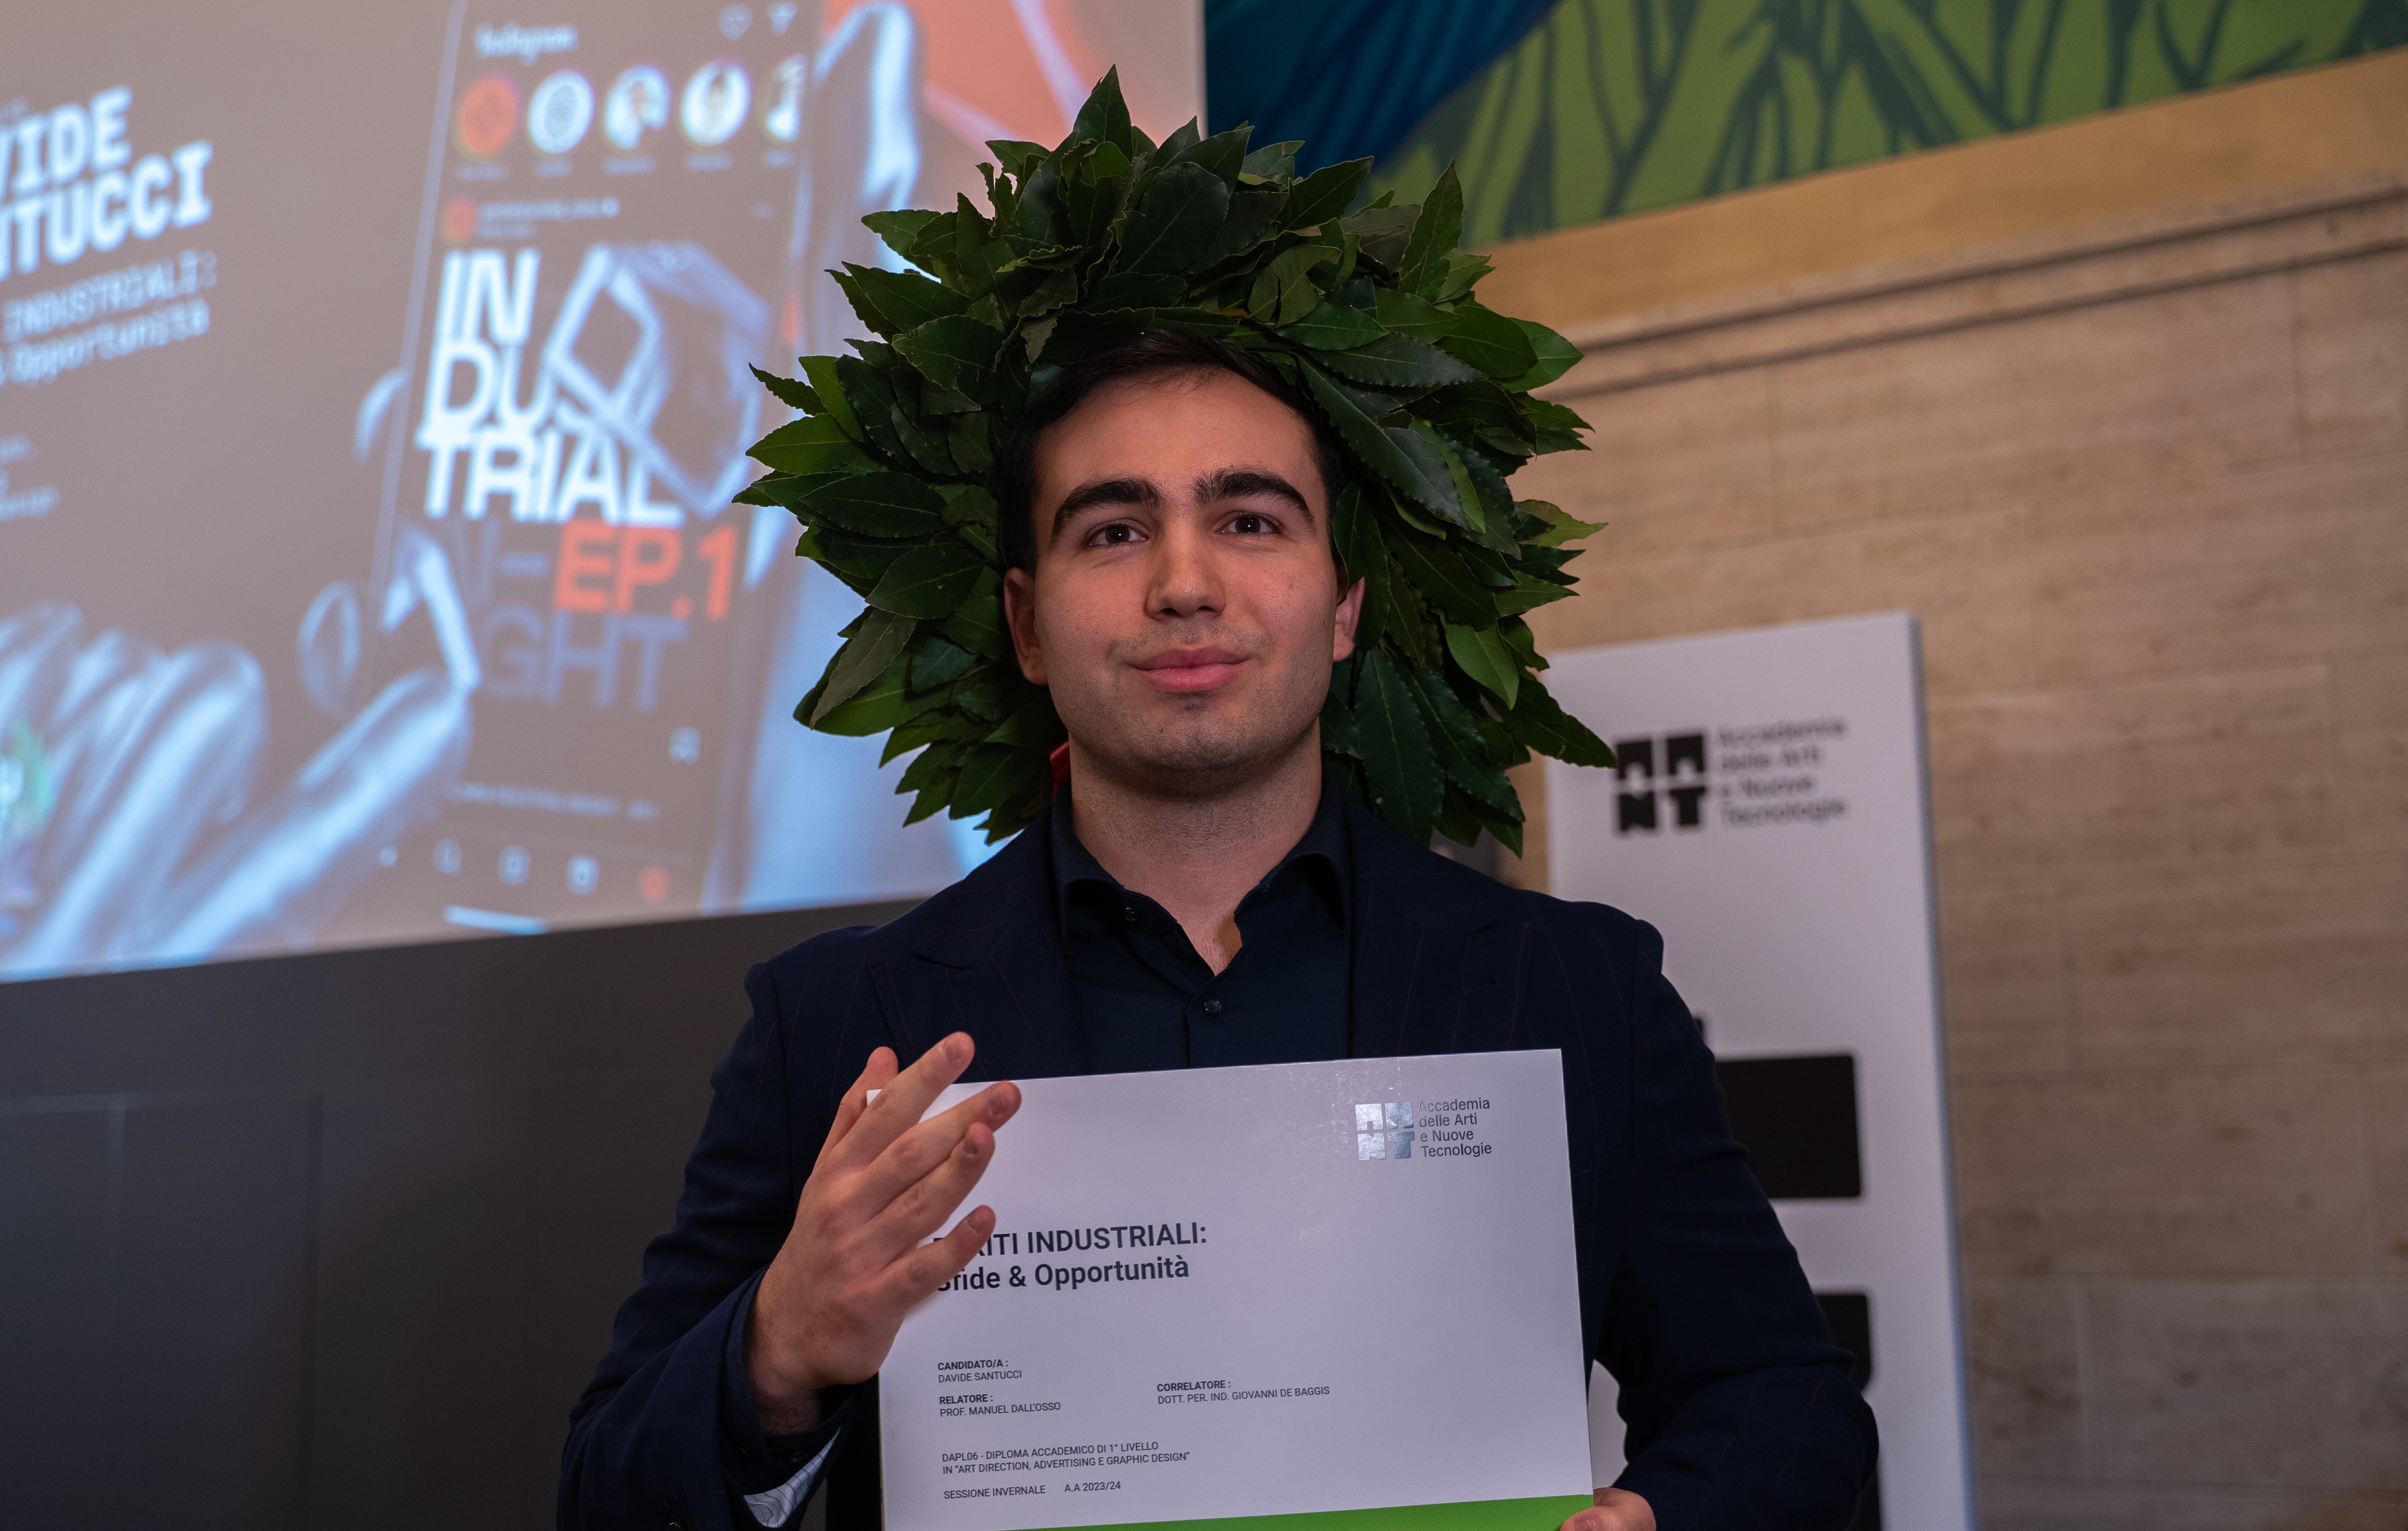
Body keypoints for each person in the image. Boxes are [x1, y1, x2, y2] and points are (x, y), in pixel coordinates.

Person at [557, 329, 1879, 1530]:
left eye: (1250, 519)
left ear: (1345, 605)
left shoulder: (1574, 986)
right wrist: (775, 1354)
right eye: (1114, 533)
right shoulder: (837, 1024)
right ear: (1026, 624)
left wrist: (1662, 1521)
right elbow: (605, 1493)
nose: (1186, 586)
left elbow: (1789, 1410)